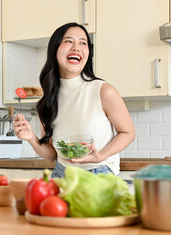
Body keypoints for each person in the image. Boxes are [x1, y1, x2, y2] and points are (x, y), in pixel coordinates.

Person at [13, 22, 135, 178]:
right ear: (54, 49)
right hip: (61, 175)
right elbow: (51, 155)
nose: (76, 47)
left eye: (83, 43)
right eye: (68, 41)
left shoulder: (103, 91)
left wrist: (101, 155)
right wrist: (31, 138)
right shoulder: (47, 99)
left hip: (99, 175)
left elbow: (128, 132)